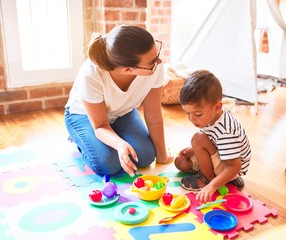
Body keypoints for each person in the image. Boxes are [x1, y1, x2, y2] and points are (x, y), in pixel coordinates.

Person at [64, 24, 173, 178]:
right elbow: (101, 125)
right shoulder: (91, 75)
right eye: (152, 62)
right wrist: (119, 144)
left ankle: (113, 136)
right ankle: (79, 139)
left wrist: (162, 155)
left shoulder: (155, 66)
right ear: (128, 69)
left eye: (157, 54)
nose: (160, 61)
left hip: (122, 112)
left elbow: (154, 116)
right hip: (85, 117)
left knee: (146, 156)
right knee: (108, 163)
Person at [174, 70, 251, 203]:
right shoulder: (211, 116)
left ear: (218, 107)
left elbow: (234, 166)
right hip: (224, 158)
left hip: (231, 167)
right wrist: (193, 150)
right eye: (187, 113)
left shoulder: (226, 131)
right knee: (180, 163)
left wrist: (212, 186)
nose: (192, 119)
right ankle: (224, 179)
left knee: (197, 139)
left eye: (197, 114)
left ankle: (206, 179)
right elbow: (212, 139)